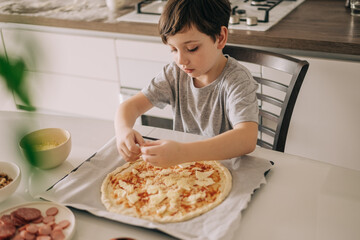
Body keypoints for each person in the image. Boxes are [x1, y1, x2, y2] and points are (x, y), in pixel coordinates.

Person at [114, 0, 259, 168]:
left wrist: (182, 153)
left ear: (220, 38)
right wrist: (123, 131)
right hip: (185, 169)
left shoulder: (237, 80)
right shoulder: (175, 74)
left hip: (226, 168)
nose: (181, 60)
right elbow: (130, 106)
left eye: (191, 48)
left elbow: (246, 139)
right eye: (173, 50)